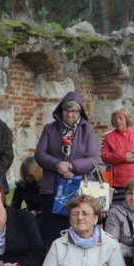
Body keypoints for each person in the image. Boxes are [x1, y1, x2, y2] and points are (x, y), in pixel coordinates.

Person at [35, 91, 100, 246]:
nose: (70, 114)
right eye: (66, 110)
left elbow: (93, 160)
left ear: (80, 112)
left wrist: (71, 165)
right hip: (53, 188)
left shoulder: (87, 130)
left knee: (78, 229)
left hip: (79, 190)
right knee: (52, 234)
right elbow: (40, 154)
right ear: (61, 111)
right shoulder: (49, 129)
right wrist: (58, 165)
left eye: (74, 111)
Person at [100, 108, 134, 204]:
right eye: (115, 119)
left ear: (127, 120)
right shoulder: (107, 137)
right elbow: (104, 156)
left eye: (120, 118)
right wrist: (123, 157)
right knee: (117, 207)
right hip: (116, 180)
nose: (118, 121)